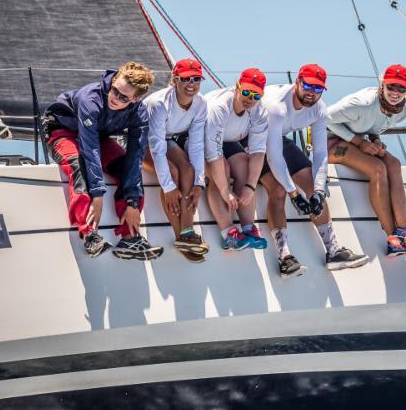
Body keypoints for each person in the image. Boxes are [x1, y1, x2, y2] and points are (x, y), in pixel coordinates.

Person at [43, 61, 163, 260]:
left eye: (123, 97)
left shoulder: (139, 113)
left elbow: (136, 156)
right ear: (114, 81)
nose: (115, 98)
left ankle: (129, 238)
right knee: (78, 166)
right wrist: (97, 197)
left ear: (135, 99)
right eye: (114, 90)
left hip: (99, 134)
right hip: (63, 129)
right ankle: (89, 234)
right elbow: (90, 151)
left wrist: (132, 202)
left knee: (127, 168)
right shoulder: (91, 99)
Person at [260, 63, 369, 278]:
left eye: (318, 89)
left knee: (311, 180)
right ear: (297, 83)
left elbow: (320, 154)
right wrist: (293, 193)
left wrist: (318, 191)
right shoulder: (277, 105)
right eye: (308, 86)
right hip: (251, 139)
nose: (312, 93)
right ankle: (285, 257)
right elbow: (273, 156)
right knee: (278, 189)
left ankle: (334, 251)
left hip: (277, 138)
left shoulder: (319, 110)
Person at [327, 64, 406, 257]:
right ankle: (393, 239)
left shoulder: (402, 111)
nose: (395, 92)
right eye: (391, 86)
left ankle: (405, 230)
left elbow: (374, 127)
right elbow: (324, 119)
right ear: (382, 85)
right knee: (378, 169)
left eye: (401, 89)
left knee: (394, 164)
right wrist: (360, 142)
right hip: (327, 143)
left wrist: (375, 140)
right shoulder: (361, 103)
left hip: (357, 142)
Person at [142, 58, 209, 263]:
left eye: (196, 79)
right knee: (172, 173)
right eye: (186, 79)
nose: (192, 84)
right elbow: (156, 147)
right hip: (139, 141)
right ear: (175, 80)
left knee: (188, 171)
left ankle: (187, 231)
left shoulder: (201, 103)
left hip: (166, 138)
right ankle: (181, 235)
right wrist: (169, 187)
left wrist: (199, 182)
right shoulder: (159, 103)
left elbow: (197, 145)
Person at [204, 67, 269, 251]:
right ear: (237, 87)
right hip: (197, 139)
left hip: (227, 139)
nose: (250, 99)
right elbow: (213, 154)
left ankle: (249, 229)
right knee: (221, 172)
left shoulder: (259, 111)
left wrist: (250, 187)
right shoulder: (219, 107)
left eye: (256, 96)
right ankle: (229, 233)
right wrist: (226, 191)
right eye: (246, 92)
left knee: (244, 168)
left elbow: (257, 152)